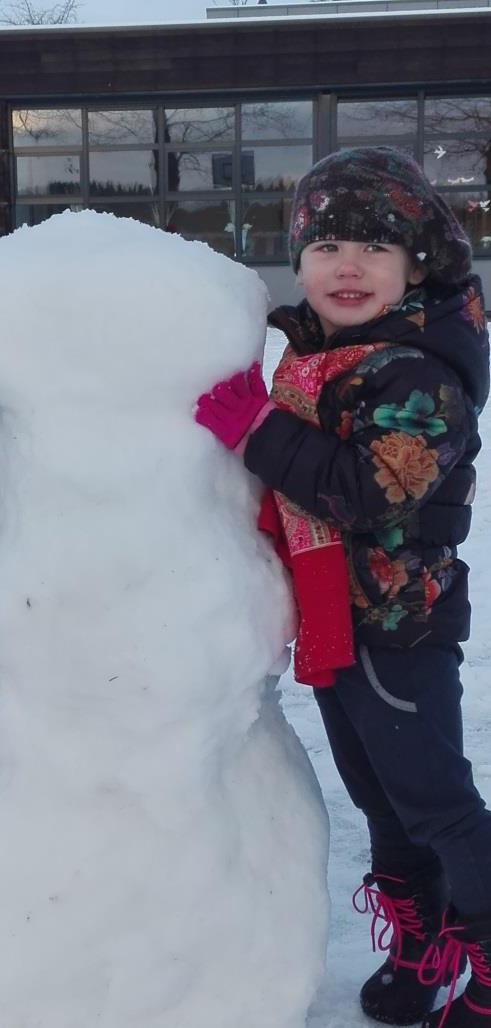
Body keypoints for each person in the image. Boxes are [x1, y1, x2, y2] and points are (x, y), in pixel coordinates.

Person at [196, 146, 491, 1028]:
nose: (347, 264)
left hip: (401, 627)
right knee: (383, 802)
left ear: (413, 267)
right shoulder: (324, 358)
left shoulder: (421, 373)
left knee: (437, 805)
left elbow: (369, 487)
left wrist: (254, 431)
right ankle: (420, 945)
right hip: (340, 623)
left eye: (373, 246)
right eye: (326, 247)